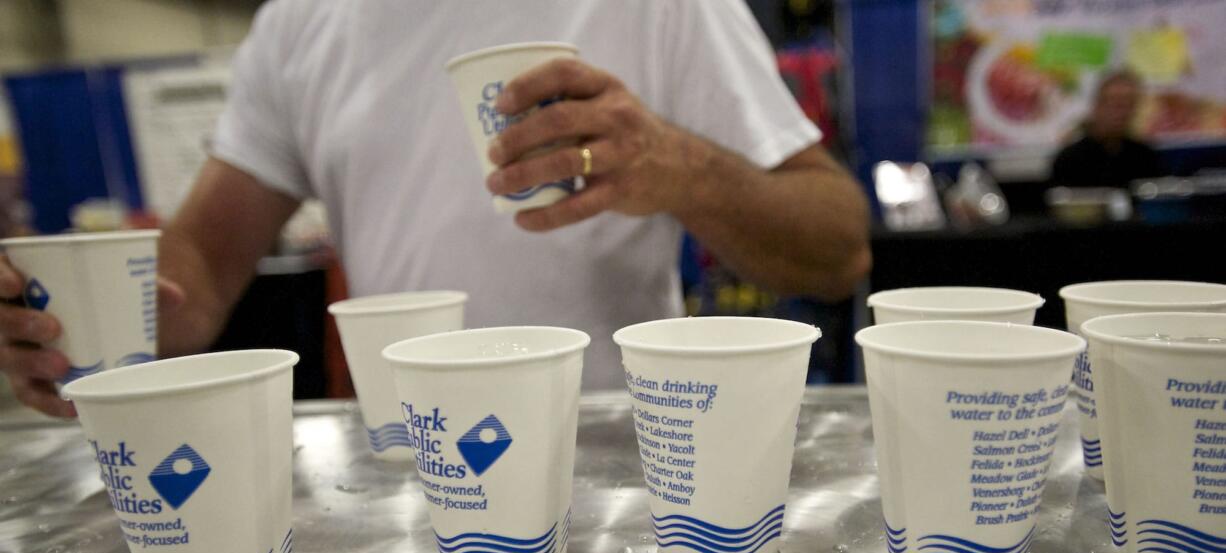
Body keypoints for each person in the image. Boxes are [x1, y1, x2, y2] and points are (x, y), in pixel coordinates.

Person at [1, 0, 870, 417]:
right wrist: (85, 326)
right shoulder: (303, 23)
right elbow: (201, 266)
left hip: (626, 463)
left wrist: (674, 163)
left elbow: (837, 246)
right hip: (404, 463)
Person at [1050, 69, 1163, 189]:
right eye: (1115, 104)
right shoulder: (1069, 160)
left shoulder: (1145, 158)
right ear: (1097, 106)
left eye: (1128, 104)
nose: (1121, 112)